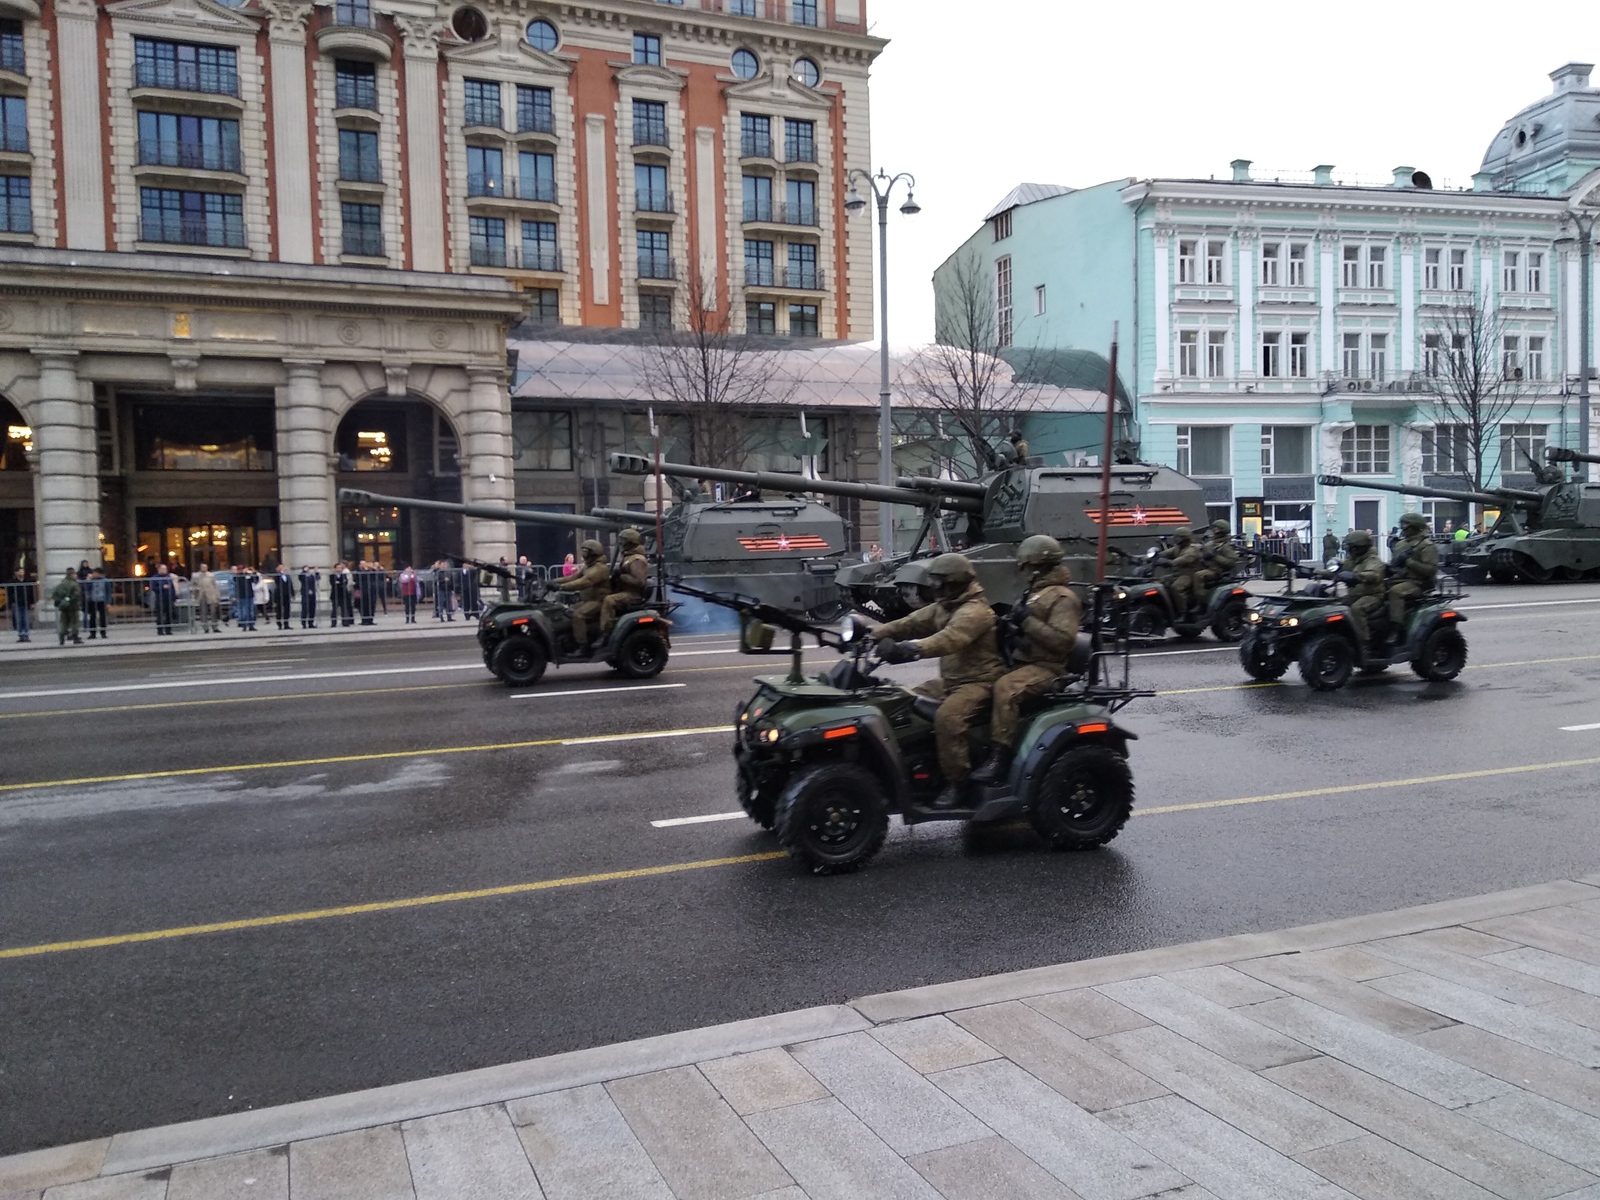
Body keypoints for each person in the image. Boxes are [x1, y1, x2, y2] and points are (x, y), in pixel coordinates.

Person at [870, 553, 1004, 808]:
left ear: (954, 582)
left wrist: (909, 649)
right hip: (952, 681)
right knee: (905, 703)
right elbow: (911, 622)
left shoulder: (976, 611)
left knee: (948, 718)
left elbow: (949, 639)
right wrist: (871, 633)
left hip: (980, 682)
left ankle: (958, 782)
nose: (934, 587)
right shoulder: (946, 606)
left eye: (938, 582)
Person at [972, 537, 1082, 785]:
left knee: (1006, 689)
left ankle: (1000, 758)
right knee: (979, 681)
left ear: (1039, 564)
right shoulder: (1035, 593)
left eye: (1027, 565)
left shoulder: (1062, 598)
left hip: (1048, 667)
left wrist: (1027, 622)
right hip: (1022, 661)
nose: (1023, 570)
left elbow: (1063, 641)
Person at [1317, 530, 1385, 645]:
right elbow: (1337, 571)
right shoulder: (1353, 560)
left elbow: (1374, 575)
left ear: (1358, 547)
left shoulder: (1373, 560)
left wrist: (1356, 576)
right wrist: (1314, 572)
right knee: (1334, 607)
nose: (1348, 550)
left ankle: (1364, 642)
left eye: (1351, 547)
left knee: (1357, 609)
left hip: (1372, 595)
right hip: (1355, 594)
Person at [1385, 512, 1439, 638]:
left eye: (1405, 525)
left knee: (1395, 592)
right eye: (1402, 524)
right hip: (1399, 578)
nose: (1403, 528)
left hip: (1419, 583)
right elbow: (1394, 564)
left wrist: (1409, 562)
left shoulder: (1426, 545)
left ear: (1414, 526)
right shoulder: (1400, 544)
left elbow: (1430, 570)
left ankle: (1396, 629)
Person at [558, 539, 611, 651]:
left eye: (586, 552)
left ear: (593, 553)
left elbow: (585, 582)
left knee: (578, 615)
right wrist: (552, 582)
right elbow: (572, 578)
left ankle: (583, 646)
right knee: (566, 611)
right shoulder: (588, 566)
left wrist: (562, 587)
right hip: (588, 600)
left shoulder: (599, 568)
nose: (583, 554)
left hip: (598, 600)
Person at [600, 528, 649, 639]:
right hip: (624, 590)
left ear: (630, 542)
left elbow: (639, 582)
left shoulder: (637, 560)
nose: (621, 543)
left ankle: (606, 633)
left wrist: (621, 576)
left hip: (633, 594)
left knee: (609, 600)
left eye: (623, 541)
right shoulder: (628, 556)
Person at [1156, 528, 1205, 615]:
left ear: (1185, 538)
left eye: (1178, 537)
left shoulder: (1192, 550)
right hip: (1178, 574)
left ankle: (1183, 612)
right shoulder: (1178, 548)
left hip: (1190, 574)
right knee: (1160, 582)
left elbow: (1184, 559)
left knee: (1176, 587)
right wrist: (1154, 556)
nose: (1175, 539)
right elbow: (1165, 553)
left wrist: (1170, 562)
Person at [1194, 519, 1240, 597]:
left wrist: (1215, 556)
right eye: (1214, 528)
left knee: (1198, 576)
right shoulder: (1212, 542)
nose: (1214, 530)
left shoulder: (1226, 545)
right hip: (1206, 567)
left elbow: (1231, 562)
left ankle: (1201, 601)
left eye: (1217, 528)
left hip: (1217, 571)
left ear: (1222, 530)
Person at [51, 569, 82, 645]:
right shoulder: (74, 584)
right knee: (74, 622)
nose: (76, 576)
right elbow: (77, 594)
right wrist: (71, 600)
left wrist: (62, 601)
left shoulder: (61, 584)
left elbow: (54, 594)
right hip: (73, 606)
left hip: (63, 606)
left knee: (64, 622)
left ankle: (62, 637)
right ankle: (75, 637)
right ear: (71, 575)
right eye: (75, 574)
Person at [5, 568, 35, 642]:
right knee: (19, 620)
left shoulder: (28, 581)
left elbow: (31, 593)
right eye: (20, 572)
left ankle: (26, 635)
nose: (22, 573)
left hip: (26, 603)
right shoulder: (12, 582)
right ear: (16, 573)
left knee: (26, 620)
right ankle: (21, 635)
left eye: (23, 571)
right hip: (17, 603)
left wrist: (32, 602)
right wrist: (11, 602)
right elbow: (9, 593)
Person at [149, 563, 178, 635]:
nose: (165, 570)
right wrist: (162, 587)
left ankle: (168, 630)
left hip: (169, 598)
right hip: (160, 598)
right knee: (160, 615)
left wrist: (174, 597)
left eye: (166, 569)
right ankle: (160, 630)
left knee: (169, 614)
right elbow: (153, 588)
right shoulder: (155, 578)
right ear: (159, 569)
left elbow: (172, 588)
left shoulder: (168, 577)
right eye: (163, 569)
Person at [193, 563, 221, 634]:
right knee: (203, 612)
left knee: (213, 611)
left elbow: (215, 585)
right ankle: (205, 628)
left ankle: (215, 627)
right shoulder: (196, 576)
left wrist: (217, 595)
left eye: (205, 567)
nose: (204, 568)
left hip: (211, 594)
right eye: (202, 567)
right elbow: (193, 585)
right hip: (201, 595)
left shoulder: (211, 575)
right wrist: (195, 593)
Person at [82, 568, 110, 639]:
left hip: (102, 600)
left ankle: (103, 632)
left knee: (102, 617)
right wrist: (87, 581)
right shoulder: (91, 581)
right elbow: (86, 589)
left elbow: (108, 592)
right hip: (93, 600)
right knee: (92, 617)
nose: (93, 574)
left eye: (95, 573)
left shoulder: (105, 581)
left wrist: (108, 602)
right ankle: (92, 633)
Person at [236, 564, 261, 631]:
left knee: (251, 611)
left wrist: (254, 573)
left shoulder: (248, 575)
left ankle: (251, 625)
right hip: (242, 596)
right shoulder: (238, 576)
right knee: (244, 611)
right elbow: (238, 583)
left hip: (250, 595)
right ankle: (244, 625)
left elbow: (255, 581)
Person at [329, 562, 354, 627]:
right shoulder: (332, 575)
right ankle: (333, 623)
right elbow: (333, 584)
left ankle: (345, 622)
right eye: (338, 568)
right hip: (335, 594)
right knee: (334, 610)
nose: (339, 569)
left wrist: (339, 583)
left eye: (340, 568)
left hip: (343, 594)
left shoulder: (344, 575)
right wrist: (340, 583)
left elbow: (345, 583)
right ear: (335, 568)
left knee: (344, 609)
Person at [355, 559, 378, 626]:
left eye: (365, 563)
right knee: (364, 606)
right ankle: (364, 620)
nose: (365, 565)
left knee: (372, 606)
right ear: (360, 565)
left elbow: (373, 576)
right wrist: (367, 570)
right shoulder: (359, 572)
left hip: (371, 591)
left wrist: (373, 569)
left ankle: (370, 620)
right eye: (363, 564)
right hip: (363, 592)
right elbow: (363, 577)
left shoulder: (369, 571)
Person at [272, 564, 295, 630]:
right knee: (279, 610)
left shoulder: (287, 576)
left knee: (287, 610)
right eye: (283, 568)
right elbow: (276, 579)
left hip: (286, 595)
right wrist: (280, 572)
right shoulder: (278, 575)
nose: (285, 568)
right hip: (279, 595)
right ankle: (279, 623)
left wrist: (292, 594)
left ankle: (286, 624)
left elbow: (290, 585)